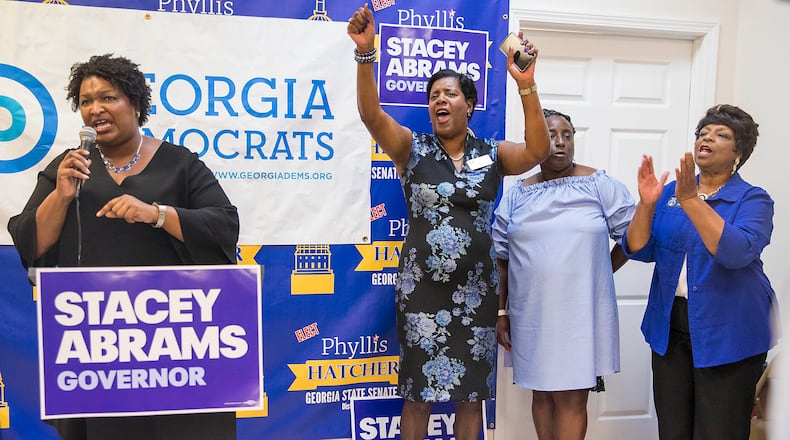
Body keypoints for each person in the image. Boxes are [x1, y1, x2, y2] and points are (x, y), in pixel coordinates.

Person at [7, 54, 239, 440]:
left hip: (175, 341)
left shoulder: (179, 164)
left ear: (135, 102)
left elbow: (223, 226)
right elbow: (33, 243)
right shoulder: (68, 166)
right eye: (85, 101)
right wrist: (61, 196)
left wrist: (157, 214)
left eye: (108, 97)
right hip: (100, 344)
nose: (95, 108)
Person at [347, 5, 551, 439]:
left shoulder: (492, 153)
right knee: (419, 395)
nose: (440, 99)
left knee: (471, 395)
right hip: (422, 292)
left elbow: (537, 151)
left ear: (470, 104)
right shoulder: (411, 149)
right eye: (433, 95)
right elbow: (370, 115)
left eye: (450, 93)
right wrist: (367, 56)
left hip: (476, 293)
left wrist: (527, 86)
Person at [623, 104, 778, 440]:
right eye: (703, 132)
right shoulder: (670, 194)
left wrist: (692, 200)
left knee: (717, 431)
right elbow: (637, 248)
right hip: (670, 326)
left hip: (731, 329)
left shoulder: (753, 200)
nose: (707, 137)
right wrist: (647, 204)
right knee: (674, 430)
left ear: (738, 152)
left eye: (721, 134)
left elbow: (735, 252)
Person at [492, 109, 636, 440]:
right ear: (537, 141)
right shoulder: (517, 193)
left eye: (567, 135)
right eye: (551, 135)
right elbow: (502, 256)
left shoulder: (599, 185)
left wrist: (601, 272)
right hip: (531, 313)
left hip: (580, 314)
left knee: (572, 397)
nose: (560, 142)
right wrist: (502, 310)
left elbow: (633, 238)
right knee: (541, 394)